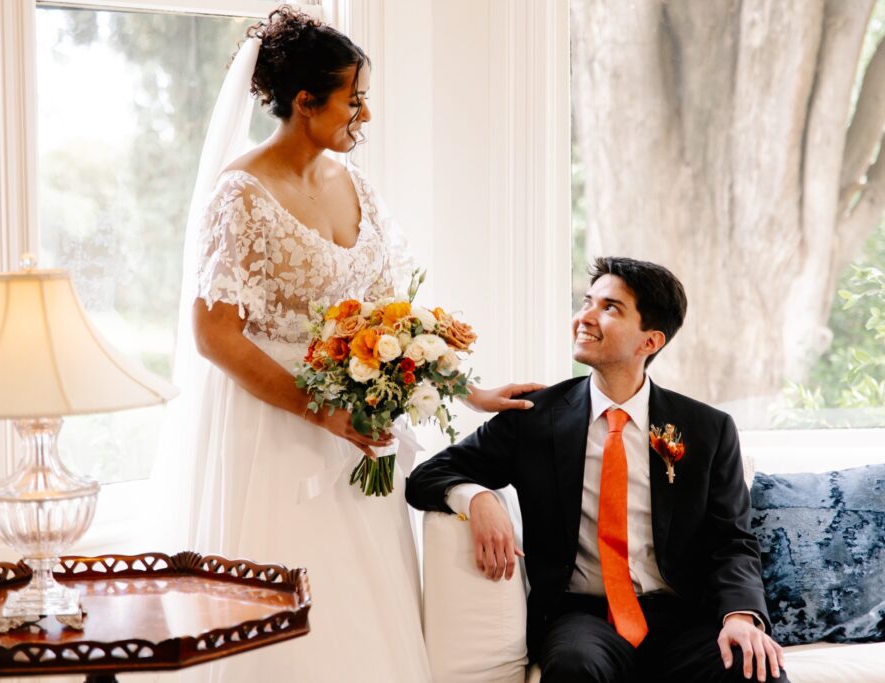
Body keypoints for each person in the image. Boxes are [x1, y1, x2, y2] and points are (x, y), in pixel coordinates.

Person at [177, 7, 541, 681]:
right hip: (275, 433)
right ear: (307, 102)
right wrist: (319, 410)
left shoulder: (357, 188)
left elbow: (392, 319)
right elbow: (214, 334)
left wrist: (469, 389)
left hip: (360, 432)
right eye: (355, 99)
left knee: (365, 609)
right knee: (287, 611)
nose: (365, 116)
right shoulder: (242, 194)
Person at [406, 257, 789, 683]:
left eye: (610, 308)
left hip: (681, 616)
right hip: (581, 617)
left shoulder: (707, 429)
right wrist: (475, 497)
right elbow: (426, 476)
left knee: (758, 670)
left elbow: (731, 540)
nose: (584, 317)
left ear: (650, 341)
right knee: (574, 669)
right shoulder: (534, 417)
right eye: (587, 302)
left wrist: (739, 617)